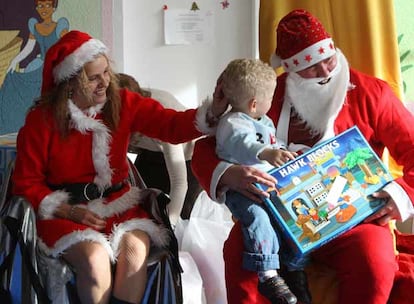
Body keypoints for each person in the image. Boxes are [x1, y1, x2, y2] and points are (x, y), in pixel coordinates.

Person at [191, 9, 414, 304]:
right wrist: (229, 173)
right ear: (291, 70)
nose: (325, 72)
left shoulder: (372, 94)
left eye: (329, 60)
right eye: (310, 67)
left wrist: (399, 195)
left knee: (375, 263)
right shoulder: (269, 96)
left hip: (353, 224)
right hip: (277, 223)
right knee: (238, 249)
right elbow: (209, 147)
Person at [11, 30, 225, 304]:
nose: (105, 82)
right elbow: (25, 184)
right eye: (93, 77)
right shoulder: (42, 121)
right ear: (70, 84)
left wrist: (213, 112)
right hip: (65, 214)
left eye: (106, 72)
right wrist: (69, 210)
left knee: (135, 254)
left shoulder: (123, 102)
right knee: (95, 260)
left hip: (120, 205)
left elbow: (171, 125)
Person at [215, 58, 300, 304]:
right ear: (254, 104)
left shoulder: (263, 121)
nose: (272, 102)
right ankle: (268, 275)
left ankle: (293, 268)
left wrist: (284, 151)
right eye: (270, 98)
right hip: (243, 190)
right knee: (258, 219)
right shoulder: (232, 124)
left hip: (268, 182)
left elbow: (272, 143)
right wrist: (266, 153)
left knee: (289, 212)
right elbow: (244, 145)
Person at [117, 73, 202, 226]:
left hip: (189, 156)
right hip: (153, 151)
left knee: (181, 213)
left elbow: (179, 183)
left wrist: (170, 225)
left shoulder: (160, 116)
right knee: (142, 204)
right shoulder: (107, 111)